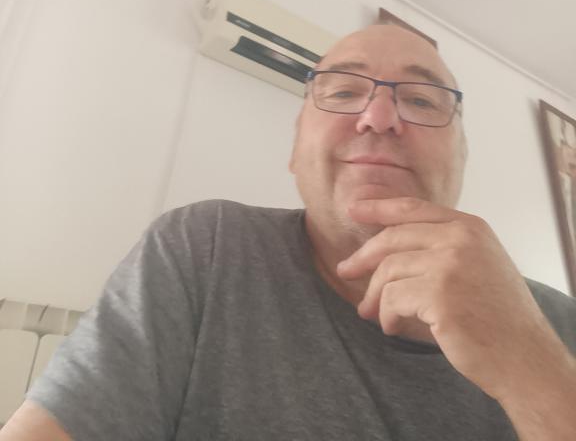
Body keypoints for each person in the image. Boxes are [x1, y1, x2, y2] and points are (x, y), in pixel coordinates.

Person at [2, 23, 576, 440]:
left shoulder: (559, 322)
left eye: (422, 100)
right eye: (343, 91)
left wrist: (533, 367)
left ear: (462, 158)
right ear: (296, 150)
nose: (378, 117)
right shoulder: (207, 246)